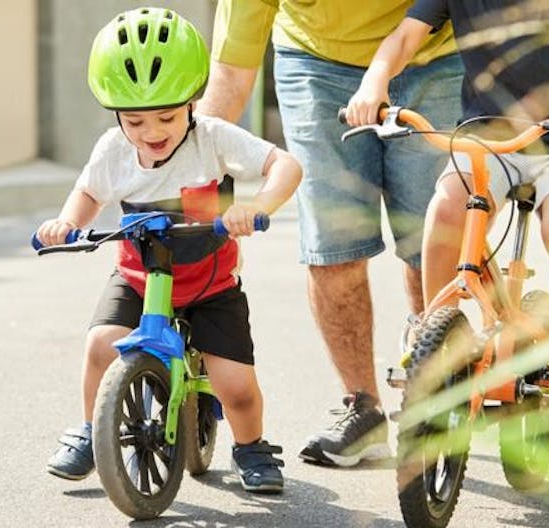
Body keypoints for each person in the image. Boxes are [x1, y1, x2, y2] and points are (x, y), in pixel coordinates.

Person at [38, 7, 303, 493]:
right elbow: (89, 193)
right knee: (101, 345)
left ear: (192, 102)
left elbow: (284, 164)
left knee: (236, 386)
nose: (152, 132)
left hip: (208, 282)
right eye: (135, 120)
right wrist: (67, 223)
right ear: (116, 114)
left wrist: (258, 205)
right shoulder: (111, 150)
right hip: (139, 277)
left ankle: (251, 447)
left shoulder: (213, 138)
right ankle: (89, 429)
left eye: (167, 116)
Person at [199, 1, 464, 467]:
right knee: (332, 244)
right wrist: (192, 182)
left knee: (432, 237)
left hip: (431, 50)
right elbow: (232, 75)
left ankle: (433, 384)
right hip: (317, 64)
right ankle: (362, 407)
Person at [345, 0, 549, 409]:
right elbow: (402, 39)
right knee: (446, 211)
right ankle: (435, 332)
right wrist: (372, 84)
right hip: (486, 138)